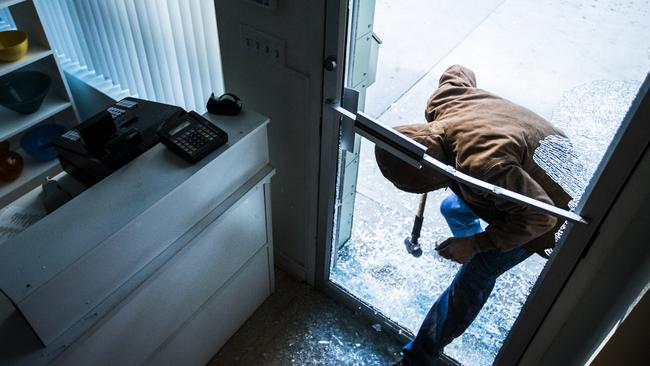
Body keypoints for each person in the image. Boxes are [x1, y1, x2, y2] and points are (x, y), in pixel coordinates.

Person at [375, 65, 572, 366]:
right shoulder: (444, 101)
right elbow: (458, 69)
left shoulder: (483, 166)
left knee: (476, 274)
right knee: (452, 206)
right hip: (524, 164)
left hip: (554, 204)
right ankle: (468, 247)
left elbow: (539, 217)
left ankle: (418, 358)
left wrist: (478, 244)